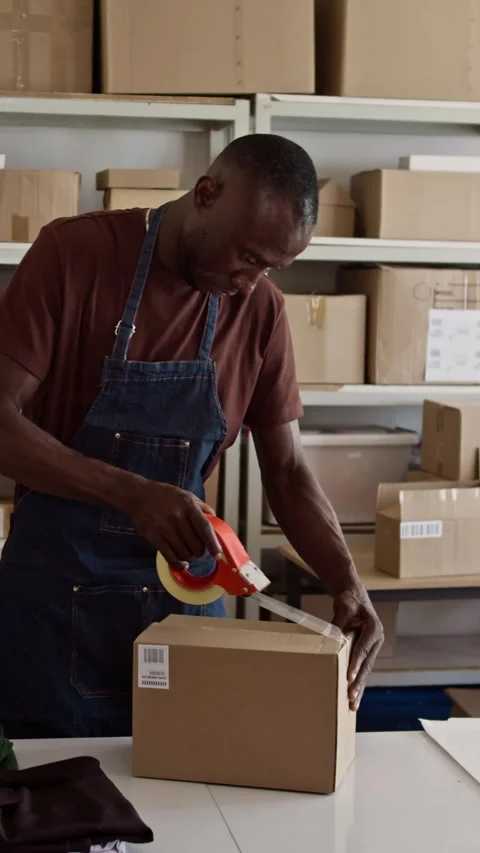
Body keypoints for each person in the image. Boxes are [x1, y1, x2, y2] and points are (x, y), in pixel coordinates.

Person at [0, 134, 383, 739]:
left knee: (195, 794)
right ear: (207, 194)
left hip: (185, 602)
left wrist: (346, 582)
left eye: (271, 268)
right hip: (54, 606)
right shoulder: (74, 256)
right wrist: (133, 495)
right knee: (57, 806)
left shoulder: (257, 311)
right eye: (248, 256)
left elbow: (285, 471)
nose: (252, 282)